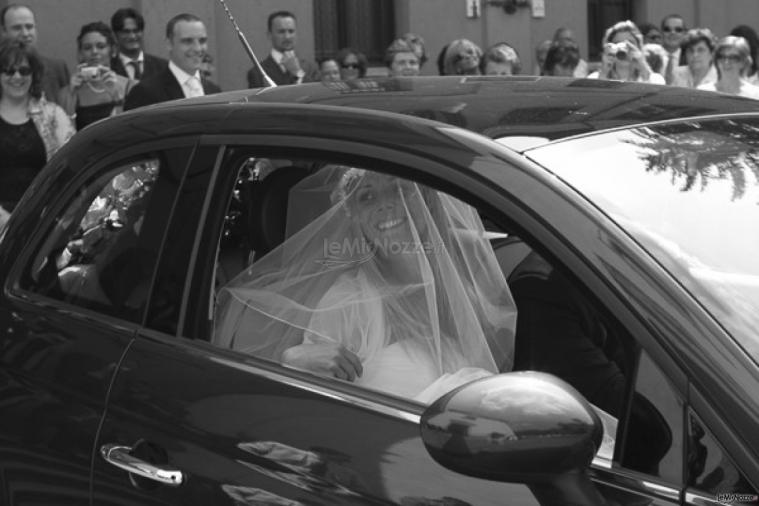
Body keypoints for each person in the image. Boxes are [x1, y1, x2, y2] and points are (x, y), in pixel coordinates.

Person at [213, 166, 517, 403]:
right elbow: (315, 401)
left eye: (398, 190)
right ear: (354, 217)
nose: (386, 206)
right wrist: (292, 361)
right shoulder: (348, 300)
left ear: (425, 201)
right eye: (367, 196)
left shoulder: (456, 283)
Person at [0, 38, 74, 216]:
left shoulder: (54, 116)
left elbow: (71, 168)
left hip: (43, 220)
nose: (17, 77)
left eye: (24, 71)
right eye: (9, 71)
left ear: (34, 75)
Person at [124, 13, 220, 111]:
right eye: (187, 41)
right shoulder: (144, 93)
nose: (197, 48)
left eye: (202, 41)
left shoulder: (214, 92)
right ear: (169, 43)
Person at [58, 22, 134, 130]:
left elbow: (133, 129)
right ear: (80, 54)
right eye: (87, 48)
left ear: (113, 51)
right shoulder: (66, 92)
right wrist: (70, 96)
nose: (94, 52)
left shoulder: (131, 86)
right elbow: (65, 136)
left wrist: (118, 98)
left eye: (101, 46)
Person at [0, 4, 69, 104]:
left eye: (29, 27)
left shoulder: (58, 68)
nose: (25, 33)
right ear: (4, 32)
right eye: (17, 28)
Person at [247, 11, 319, 88]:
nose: (287, 37)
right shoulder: (258, 73)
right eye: (281, 32)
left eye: (291, 31)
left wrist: (298, 73)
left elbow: (317, 95)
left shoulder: (310, 68)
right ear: (269, 35)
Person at [588, 20, 664, 84]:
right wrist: (603, 73)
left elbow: (658, 95)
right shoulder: (593, 78)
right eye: (617, 43)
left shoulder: (656, 79)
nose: (623, 48)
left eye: (630, 43)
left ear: (639, 47)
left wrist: (643, 67)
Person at [109, 8, 168, 81]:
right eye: (126, 32)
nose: (132, 36)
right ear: (115, 35)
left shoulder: (163, 67)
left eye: (136, 31)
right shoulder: (109, 68)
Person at [660, 14, 687, 84]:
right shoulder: (652, 56)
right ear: (661, 33)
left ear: (684, 33)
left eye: (678, 30)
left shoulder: (690, 58)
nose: (672, 33)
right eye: (667, 29)